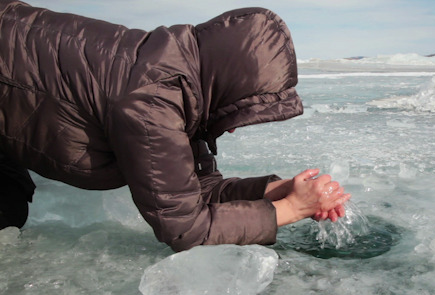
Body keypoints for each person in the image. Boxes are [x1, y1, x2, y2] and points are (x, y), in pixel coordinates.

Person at [0, 1, 350, 251]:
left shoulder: (180, 80)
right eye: (239, 111)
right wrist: (293, 210)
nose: (232, 128)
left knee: (12, 205)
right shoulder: (153, 100)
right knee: (8, 208)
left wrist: (282, 190)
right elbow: (185, 228)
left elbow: (202, 189)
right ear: (225, 84)